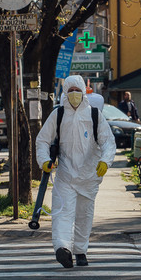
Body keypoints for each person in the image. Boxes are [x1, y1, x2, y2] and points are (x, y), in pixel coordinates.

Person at [36, 75, 116, 269]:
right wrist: (44, 161)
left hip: (89, 177)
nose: (74, 95)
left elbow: (108, 142)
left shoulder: (94, 115)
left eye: (77, 91)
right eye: (70, 91)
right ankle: (62, 249)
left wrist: (105, 161)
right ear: (65, 93)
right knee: (62, 213)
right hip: (65, 175)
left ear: (83, 92)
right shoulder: (58, 115)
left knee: (84, 216)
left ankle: (80, 251)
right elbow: (43, 140)